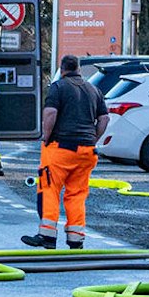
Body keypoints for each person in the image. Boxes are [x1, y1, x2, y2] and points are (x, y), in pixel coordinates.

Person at [23, 55, 107, 250]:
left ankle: (47, 236)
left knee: (50, 189)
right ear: (78, 69)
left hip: (61, 148)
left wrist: (46, 135)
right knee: (76, 194)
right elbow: (104, 119)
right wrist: (93, 138)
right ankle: (76, 239)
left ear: (62, 70)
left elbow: (51, 113)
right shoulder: (94, 89)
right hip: (87, 151)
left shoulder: (58, 87)